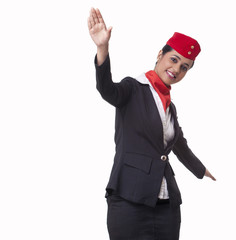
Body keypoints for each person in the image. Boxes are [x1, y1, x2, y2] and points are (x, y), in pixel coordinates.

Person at [87, 7, 216, 240]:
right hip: (129, 201)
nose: (176, 69)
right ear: (160, 54)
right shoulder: (132, 89)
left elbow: (179, 145)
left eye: (184, 67)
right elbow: (107, 90)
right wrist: (102, 49)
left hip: (167, 207)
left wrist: (202, 170)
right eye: (174, 60)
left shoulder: (171, 108)